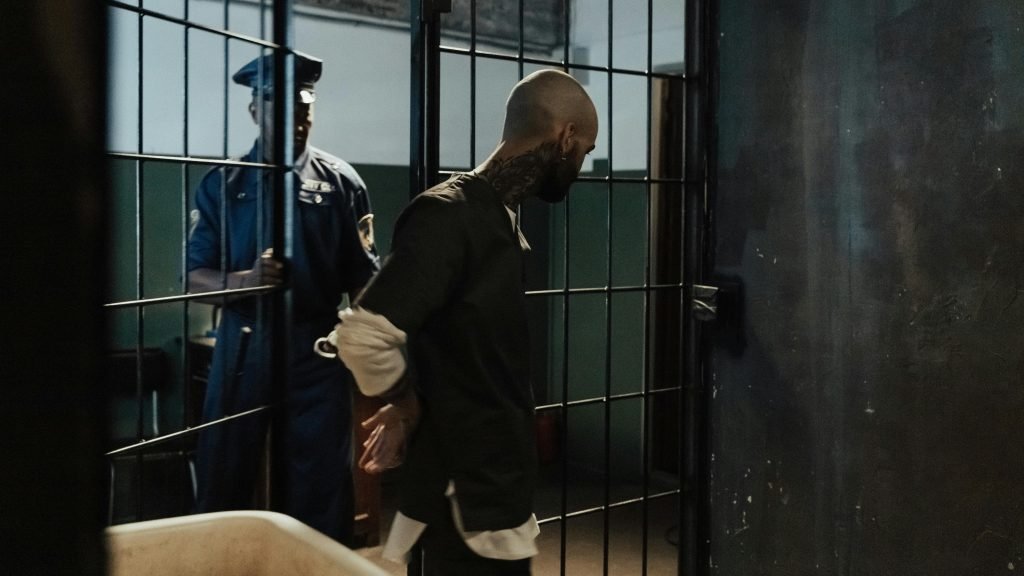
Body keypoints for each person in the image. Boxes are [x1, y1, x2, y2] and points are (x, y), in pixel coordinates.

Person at [328, 69, 597, 574]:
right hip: (465, 496)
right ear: (565, 137)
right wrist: (404, 403)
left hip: (496, 484)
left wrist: (415, 402)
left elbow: (458, 346)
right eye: (584, 149)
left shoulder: (502, 218)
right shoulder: (447, 215)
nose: (581, 164)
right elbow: (364, 337)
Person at [187, 51, 379, 545]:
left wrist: (365, 334)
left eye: (304, 109)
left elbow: (365, 278)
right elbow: (194, 277)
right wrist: (246, 280)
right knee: (223, 475)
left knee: (320, 484)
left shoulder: (341, 183)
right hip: (243, 347)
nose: (297, 121)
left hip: (315, 349)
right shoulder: (223, 184)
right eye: (281, 109)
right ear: (255, 110)